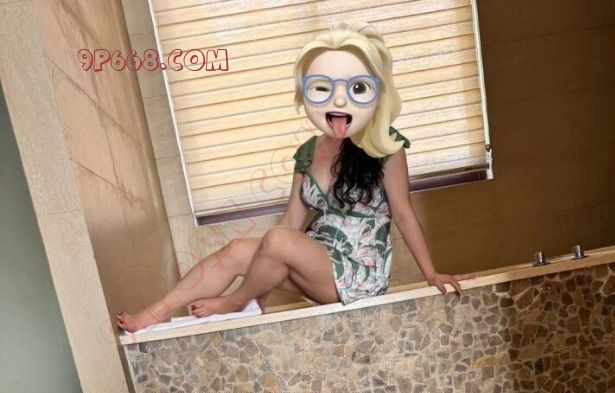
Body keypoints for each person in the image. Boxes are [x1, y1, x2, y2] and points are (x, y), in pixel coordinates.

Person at [117, 21, 471, 333]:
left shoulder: (385, 145)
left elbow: (404, 213)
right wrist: (264, 269)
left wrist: (431, 274)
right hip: (315, 261)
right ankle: (153, 315)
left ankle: (238, 301)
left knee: (277, 242)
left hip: (357, 274)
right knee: (238, 250)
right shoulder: (308, 152)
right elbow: (290, 222)